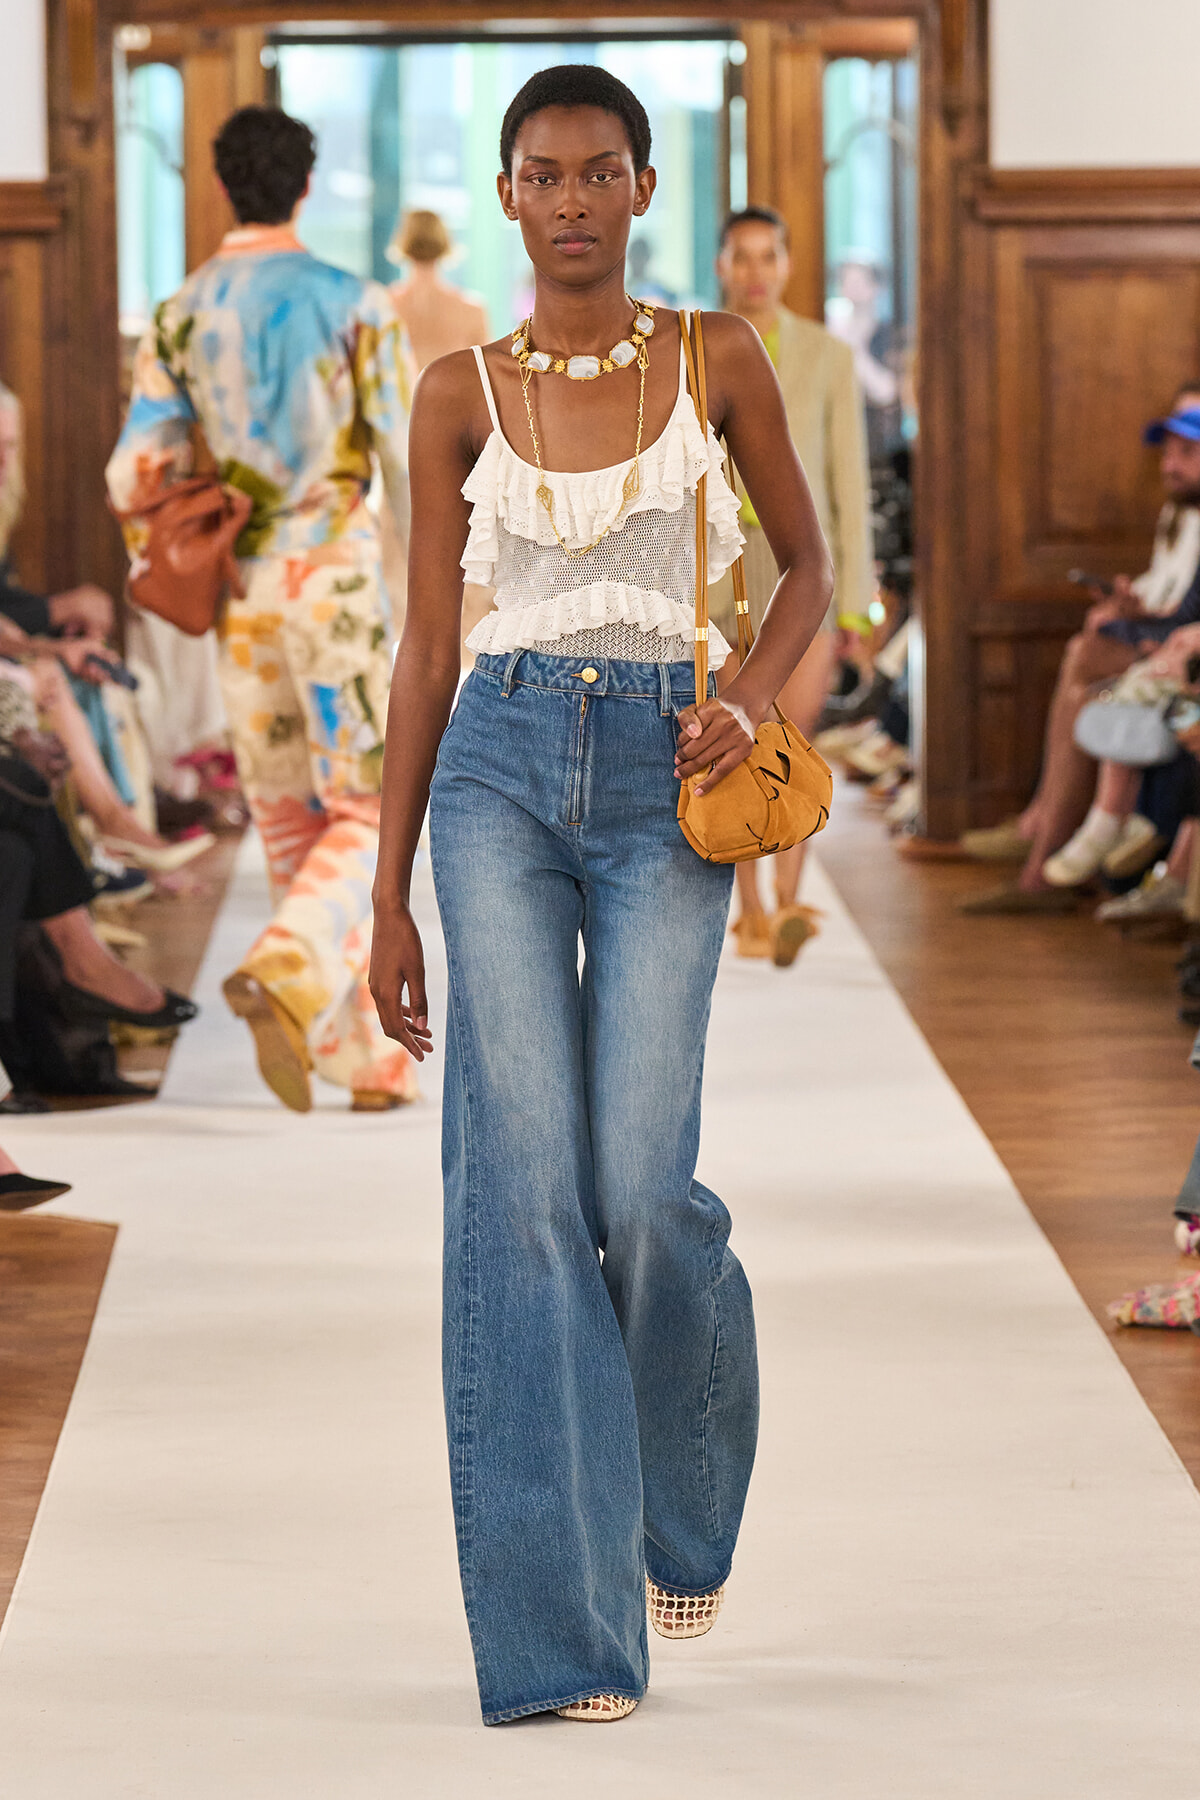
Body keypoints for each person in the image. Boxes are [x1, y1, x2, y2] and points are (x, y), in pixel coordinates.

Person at [368, 65, 832, 1725]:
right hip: (492, 769)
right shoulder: (451, 391)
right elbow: (425, 645)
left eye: (601, 173)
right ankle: (567, 1636)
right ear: (507, 198)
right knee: (523, 1197)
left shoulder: (718, 352)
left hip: (661, 774)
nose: (571, 199)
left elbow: (810, 564)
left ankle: (684, 1512)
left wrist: (758, 700)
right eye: (541, 174)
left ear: (643, 190)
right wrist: (382, 890)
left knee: (646, 1187)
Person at [107, 105, 417, 1114]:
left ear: (221, 185)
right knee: (367, 808)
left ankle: (359, 1057)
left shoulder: (181, 312)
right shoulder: (355, 301)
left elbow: (130, 473)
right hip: (334, 580)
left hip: (244, 592)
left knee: (285, 809)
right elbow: (410, 461)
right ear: (305, 186)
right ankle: (290, 960)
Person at [961, 389, 1200, 910]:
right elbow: (1171, 598)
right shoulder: (1180, 513)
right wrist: (1127, 605)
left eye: (1188, 452)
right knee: (1087, 652)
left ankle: (1047, 836)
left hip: (1185, 655)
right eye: (1170, 452)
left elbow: (1187, 617)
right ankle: (1045, 831)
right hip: (1171, 643)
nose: (1171, 465)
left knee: (1085, 655)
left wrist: (1138, 624)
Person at [710, 206, 873, 964]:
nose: (753, 271)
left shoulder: (827, 356)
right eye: (740, 256)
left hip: (805, 562)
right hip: (720, 566)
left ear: (787, 264)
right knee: (732, 737)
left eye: (766, 256)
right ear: (721, 265)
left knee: (798, 736)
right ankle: (748, 912)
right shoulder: (696, 347)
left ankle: (789, 897)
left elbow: (848, 482)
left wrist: (860, 605)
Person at [387, 209, 491, 372]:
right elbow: (486, 376)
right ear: (445, 243)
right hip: (452, 397)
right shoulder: (472, 310)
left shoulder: (384, 306)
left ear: (402, 242)